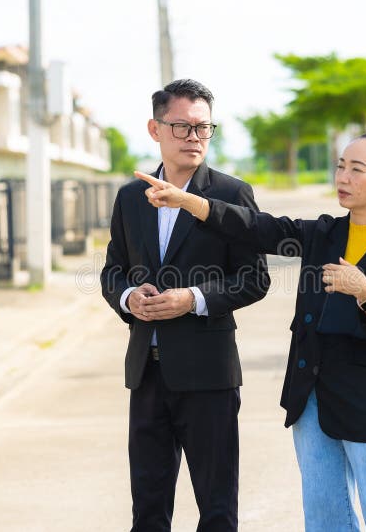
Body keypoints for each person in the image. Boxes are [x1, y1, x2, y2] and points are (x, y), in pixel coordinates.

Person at [136, 132, 366, 532]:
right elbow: (256, 227)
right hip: (312, 395)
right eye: (341, 166)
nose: (343, 177)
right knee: (324, 515)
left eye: (357, 169)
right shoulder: (323, 234)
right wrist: (187, 201)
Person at [100, 79, 269, 532]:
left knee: (217, 511)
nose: (194, 137)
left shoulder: (231, 195)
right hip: (146, 373)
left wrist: (192, 299)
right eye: (182, 127)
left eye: (203, 127)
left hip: (209, 376)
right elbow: (113, 270)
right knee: (148, 512)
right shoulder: (130, 197)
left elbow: (255, 279)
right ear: (155, 129)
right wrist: (128, 297)